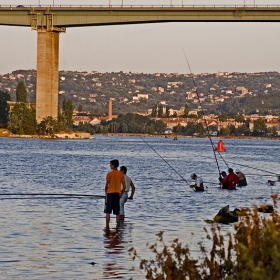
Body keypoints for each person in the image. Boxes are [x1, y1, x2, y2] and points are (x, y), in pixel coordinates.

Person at [104, 159, 126, 230]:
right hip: (117, 194)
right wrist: (121, 193)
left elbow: (106, 185)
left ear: (113, 165)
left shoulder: (109, 174)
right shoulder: (121, 174)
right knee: (117, 213)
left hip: (110, 194)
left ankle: (107, 226)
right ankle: (118, 227)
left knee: (108, 212)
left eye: (110, 164)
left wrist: (106, 193)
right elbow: (124, 186)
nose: (110, 166)